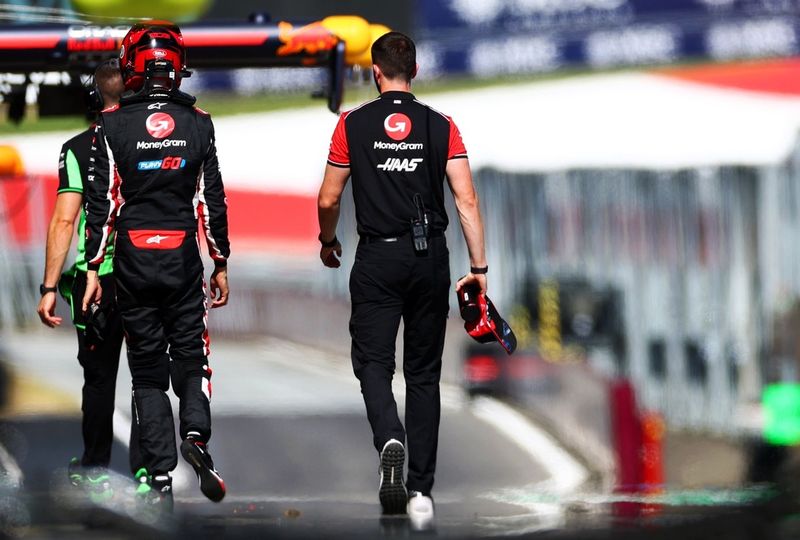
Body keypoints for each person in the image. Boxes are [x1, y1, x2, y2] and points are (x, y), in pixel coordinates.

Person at [317, 31, 488, 528]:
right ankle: (422, 492)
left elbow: (328, 199)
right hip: (429, 257)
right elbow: (467, 201)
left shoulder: (352, 124)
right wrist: (478, 271)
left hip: (377, 258)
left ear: (375, 72)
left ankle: (388, 434)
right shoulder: (442, 126)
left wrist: (328, 242)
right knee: (424, 374)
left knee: (372, 361)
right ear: (414, 71)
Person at [81, 21, 230, 506]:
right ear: (178, 66)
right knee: (192, 355)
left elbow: (101, 204)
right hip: (183, 255)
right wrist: (220, 261)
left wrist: (91, 268)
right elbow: (212, 201)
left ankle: (160, 476)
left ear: (132, 67)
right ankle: (196, 433)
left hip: (133, 259)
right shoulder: (199, 122)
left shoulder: (112, 123)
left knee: (146, 372)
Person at [36, 60, 128, 501]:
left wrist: (49, 287)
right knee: (150, 376)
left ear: (94, 99)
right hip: (151, 273)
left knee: (98, 379)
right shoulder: (156, 138)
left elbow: (64, 221)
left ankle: (95, 468)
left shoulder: (77, 147)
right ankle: (153, 471)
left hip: (96, 280)